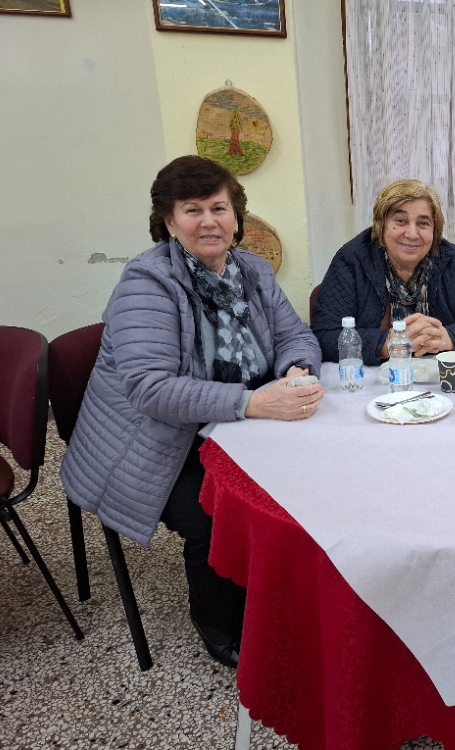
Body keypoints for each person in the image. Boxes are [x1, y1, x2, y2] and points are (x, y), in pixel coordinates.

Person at [61, 155, 324, 669]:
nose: (209, 222)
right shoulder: (147, 283)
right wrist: (251, 402)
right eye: (192, 210)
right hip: (152, 444)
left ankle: (278, 593)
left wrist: (295, 369)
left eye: (219, 208)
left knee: (308, 481)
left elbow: (296, 334)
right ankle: (218, 622)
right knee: (219, 512)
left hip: (231, 426)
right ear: (168, 221)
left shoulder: (251, 270)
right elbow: (151, 389)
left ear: (237, 217)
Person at [312, 179, 455, 363]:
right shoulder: (352, 261)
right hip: (375, 377)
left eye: (423, 223)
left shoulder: (449, 260)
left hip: (436, 374)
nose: (412, 234)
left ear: (435, 230)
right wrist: (387, 343)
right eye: (400, 221)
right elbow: (324, 335)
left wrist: (446, 337)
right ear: (381, 225)